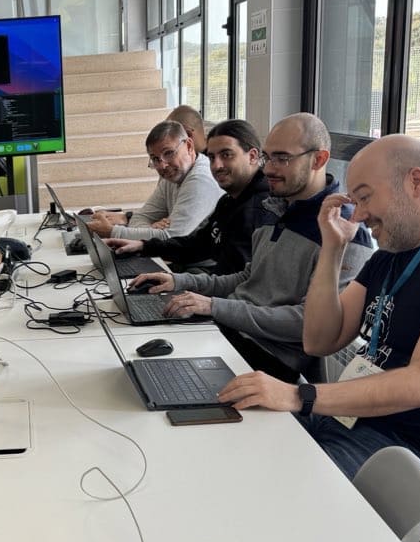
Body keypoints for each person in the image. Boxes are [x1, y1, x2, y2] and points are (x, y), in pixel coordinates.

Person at [219, 134, 420, 516]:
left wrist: (300, 396)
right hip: (352, 424)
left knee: (265, 499)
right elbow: (319, 339)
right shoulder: (391, 256)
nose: (359, 215)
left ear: (415, 183)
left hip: (414, 459)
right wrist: (333, 248)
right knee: (231, 446)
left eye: (365, 197)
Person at [132, 113, 373, 381]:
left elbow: (306, 322)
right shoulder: (276, 206)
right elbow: (250, 277)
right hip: (231, 331)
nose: (268, 169)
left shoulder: (344, 230)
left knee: (158, 377)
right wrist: (179, 281)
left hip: (270, 359)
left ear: (318, 159)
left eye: (282, 158)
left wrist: (214, 307)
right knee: (134, 355)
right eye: (268, 158)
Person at [104, 119, 274, 275]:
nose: (216, 166)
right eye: (212, 157)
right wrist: (144, 246)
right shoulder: (229, 200)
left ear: (252, 156)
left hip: (215, 283)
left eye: (226, 155)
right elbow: (197, 244)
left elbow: (234, 283)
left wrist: (182, 284)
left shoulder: (256, 210)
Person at [86, 120, 221, 240]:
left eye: (168, 153)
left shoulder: (200, 180)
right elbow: (140, 218)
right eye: (155, 159)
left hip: (197, 267)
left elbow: (170, 237)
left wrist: (111, 232)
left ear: (189, 146)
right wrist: (151, 230)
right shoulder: (173, 176)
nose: (162, 165)